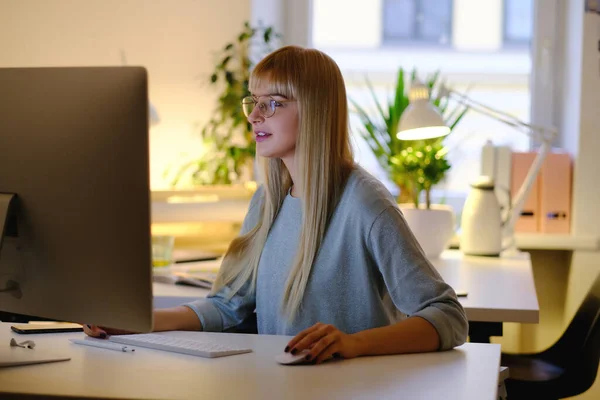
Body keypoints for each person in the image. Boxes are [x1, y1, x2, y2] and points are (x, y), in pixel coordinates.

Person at [85, 45, 468, 364]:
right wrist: (137, 321)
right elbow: (227, 307)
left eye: (274, 103)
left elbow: (448, 316)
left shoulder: (366, 204)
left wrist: (355, 344)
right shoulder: (268, 200)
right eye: (254, 101)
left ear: (316, 111)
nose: (254, 116)